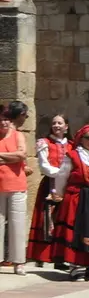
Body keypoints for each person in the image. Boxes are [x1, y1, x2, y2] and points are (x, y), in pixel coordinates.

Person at [49, 125, 89, 280]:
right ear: (81, 139)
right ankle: (76, 266)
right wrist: (60, 194)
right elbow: (62, 177)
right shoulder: (73, 156)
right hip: (78, 198)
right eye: (88, 137)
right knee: (79, 231)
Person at [27, 114, 70, 267]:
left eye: (60, 123)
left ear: (66, 127)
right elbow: (44, 166)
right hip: (50, 184)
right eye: (54, 123)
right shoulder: (44, 143)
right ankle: (42, 256)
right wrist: (61, 173)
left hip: (66, 186)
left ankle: (59, 257)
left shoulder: (71, 145)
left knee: (62, 219)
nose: (56, 125)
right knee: (46, 219)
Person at [0, 104, 28, 275]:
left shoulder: (18, 136)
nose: (3, 123)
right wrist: (13, 158)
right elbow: (17, 156)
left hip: (16, 184)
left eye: (6, 120)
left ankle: (19, 262)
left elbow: (22, 155)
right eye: (1, 120)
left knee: (17, 224)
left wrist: (2, 157)